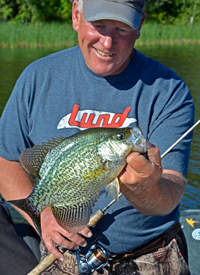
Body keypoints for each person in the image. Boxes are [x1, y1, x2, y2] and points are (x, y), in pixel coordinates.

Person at [0, 0, 194, 274]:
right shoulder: (37, 78)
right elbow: (5, 160)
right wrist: (42, 216)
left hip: (151, 257)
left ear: (140, 25)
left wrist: (149, 190)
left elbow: (172, 188)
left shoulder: (169, 91)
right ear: (76, 14)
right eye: (98, 25)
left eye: (122, 28)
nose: (107, 41)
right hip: (61, 259)